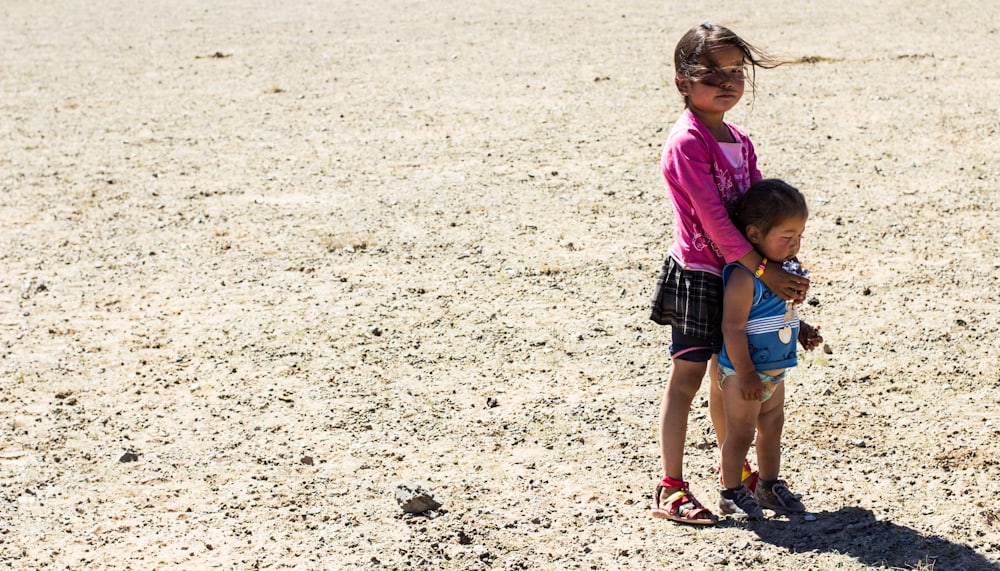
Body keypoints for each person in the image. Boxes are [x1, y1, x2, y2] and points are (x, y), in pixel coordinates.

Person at [649, 23, 810, 525]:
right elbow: (715, 221)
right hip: (701, 273)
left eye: (736, 72)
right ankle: (671, 485)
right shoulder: (687, 142)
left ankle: (731, 473)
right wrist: (764, 268)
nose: (728, 82)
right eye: (712, 74)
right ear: (682, 81)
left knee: (730, 378)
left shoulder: (739, 139)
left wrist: (777, 266)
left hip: (740, 271)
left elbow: (752, 210)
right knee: (689, 376)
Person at [716, 178, 823, 519]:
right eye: (786, 237)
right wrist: (746, 373)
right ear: (753, 235)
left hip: (774, 372)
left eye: (800, 236)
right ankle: (730, 491)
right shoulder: (743, 277)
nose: (795, 244)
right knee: (742, 432)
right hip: (743, 373)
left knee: (773, 426)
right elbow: (732, 327)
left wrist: (801, 330)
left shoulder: (782, 273)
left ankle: (768, 484)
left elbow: (780, 315)